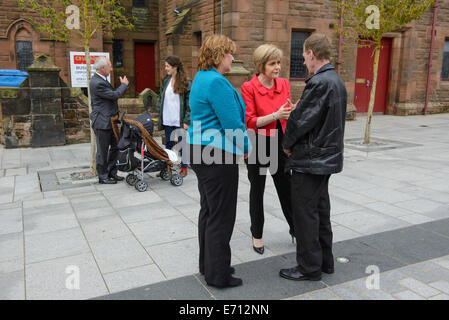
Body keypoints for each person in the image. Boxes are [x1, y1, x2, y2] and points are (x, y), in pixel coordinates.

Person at [280, 33, 347, 281]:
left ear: (311, 54)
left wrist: (287, 145)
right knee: (320, 211)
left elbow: (301, 122)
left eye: (304, 55)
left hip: (310, 160)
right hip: (325, 159)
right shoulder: (336, 80)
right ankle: (324, 262)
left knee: (305, 215)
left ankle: (309, 268)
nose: (304, 61)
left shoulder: (319, 82)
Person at [187, 34, 251, 288]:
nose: (233, 58)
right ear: (218, 55)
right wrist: (246, 149)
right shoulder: (216, 82)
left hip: (199, 151)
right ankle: (218, 275)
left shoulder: (201, 78)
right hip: (216, 154)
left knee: (209, 210)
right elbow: (232, 123)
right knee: (221, 216)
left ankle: (210, 265)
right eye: (229, 53)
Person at [241, 44, 296, 255]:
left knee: (287, 190)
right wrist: (276, 115)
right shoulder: (249, 87)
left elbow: (287, 117)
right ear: (261, 65)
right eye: (272, 63)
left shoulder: (283, 83)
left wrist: (291, 114)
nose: (277, 67)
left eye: (279, 63)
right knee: (258, 191)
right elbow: (250, 121)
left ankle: (296, 228)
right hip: (258, 144)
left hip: (280, 143)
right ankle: (257, 236)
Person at [89, 57, 129, 184]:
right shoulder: (97, 82)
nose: (112, 69)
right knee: (102, 150)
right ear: (102, 68)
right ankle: (103, 176)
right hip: (102, 122)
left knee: (116, 147)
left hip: (110, 121)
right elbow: (114, 95)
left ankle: (112, 172)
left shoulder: (102, 79)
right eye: (110, 66)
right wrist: (124, 85)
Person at [157, 56, 191, 178]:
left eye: (167, 66)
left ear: (175, 67)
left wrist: (187, 120)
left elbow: (189, 103)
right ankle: (168, 168)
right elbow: (161, 98)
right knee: (169, 145)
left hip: (180, 120)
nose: (165, 68)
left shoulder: (186, 82)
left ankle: (184, 167)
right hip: (167, 118)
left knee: (182, 145)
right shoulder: (166, 80)